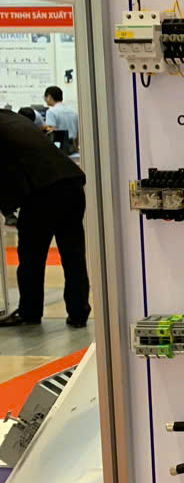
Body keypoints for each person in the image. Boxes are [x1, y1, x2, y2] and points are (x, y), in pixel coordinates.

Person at [0, 108, 91, 328]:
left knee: (31, 255)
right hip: (71, 183)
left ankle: (29, 312)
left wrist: (8, 211)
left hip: (43, 190)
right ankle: (79, 313)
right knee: (73, 254)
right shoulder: (12, 118)